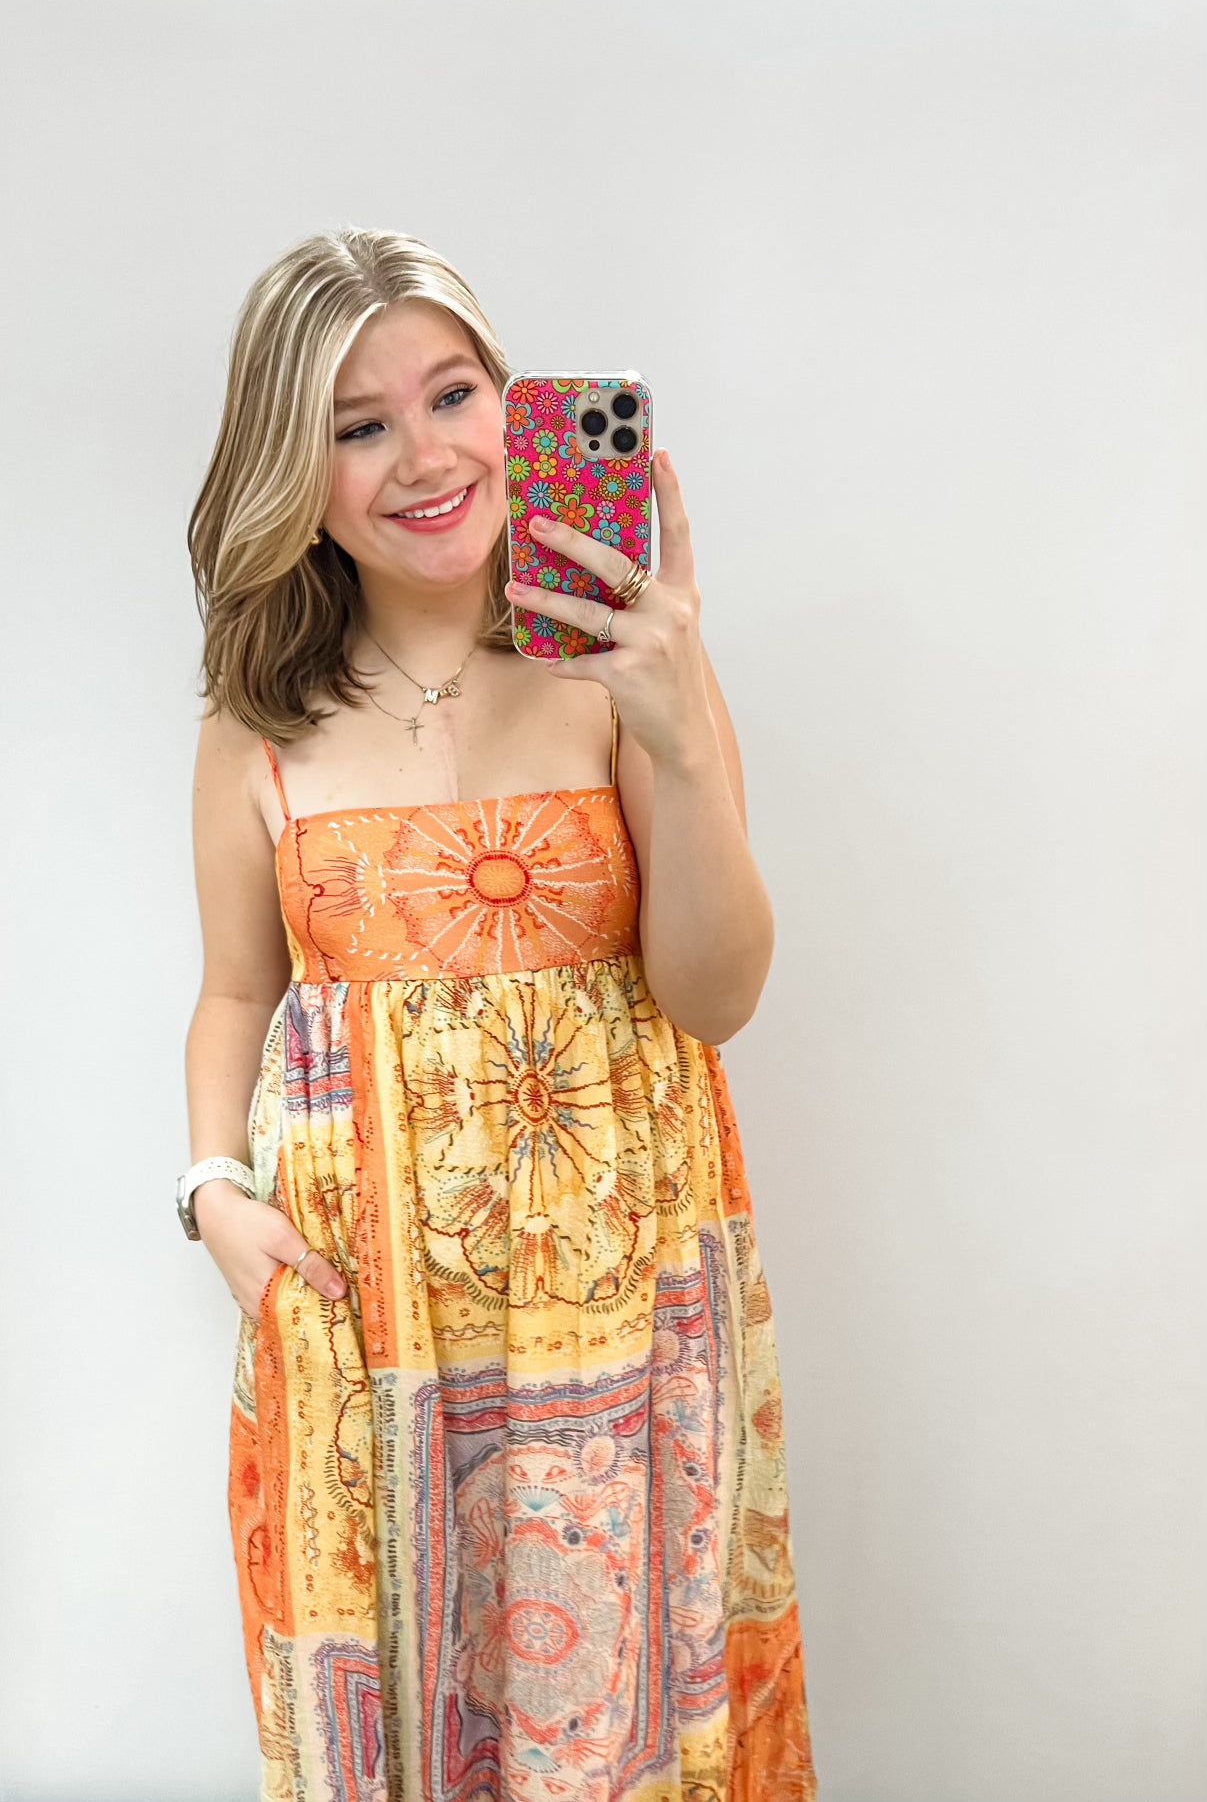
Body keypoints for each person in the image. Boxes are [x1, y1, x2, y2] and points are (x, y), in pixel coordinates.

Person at [183, 227, 820, 1801]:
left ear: (510, 400)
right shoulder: (256, 726)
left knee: (624, 1728)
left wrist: (679, 734)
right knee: (396, 1729)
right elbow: (238, 987)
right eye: (360, 423)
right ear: (298, 473)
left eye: (453, 393)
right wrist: (211, 1195)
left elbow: (718, 992)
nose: (426, 454)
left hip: (619, 1314)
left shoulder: (623, 671)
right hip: (368, 1330)